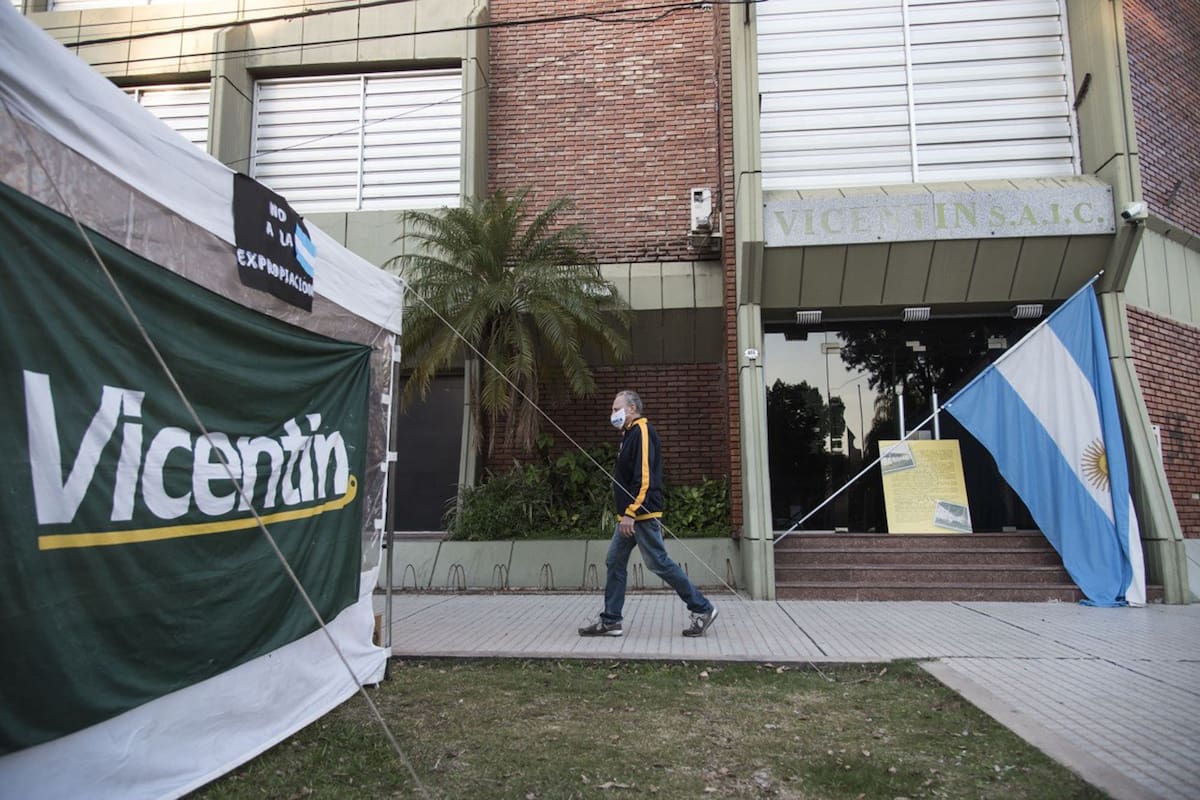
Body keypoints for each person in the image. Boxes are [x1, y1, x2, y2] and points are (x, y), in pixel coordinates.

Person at [578, 390, 718, 638]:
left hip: (640, 515)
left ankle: (703, 608)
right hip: (630, 517)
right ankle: (611, 620)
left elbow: (645, 479)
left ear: (631, 409)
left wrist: (631, 513)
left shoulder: (642, 431)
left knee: (659, 563)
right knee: (614, 560)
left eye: (615, 409)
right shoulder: (628, 435)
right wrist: (625, 514)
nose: (612, 414)